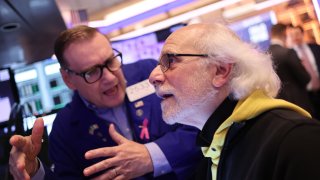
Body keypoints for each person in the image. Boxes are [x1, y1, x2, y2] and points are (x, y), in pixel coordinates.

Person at [9, 25, 202, 180]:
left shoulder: (151, 74)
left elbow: (203, 129)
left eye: (110, 61)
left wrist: (150, 156)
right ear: (68, 79)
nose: (110, 78)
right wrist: (35, 173)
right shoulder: (64, 129)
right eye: (91, 72)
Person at [149, 23, 320, 180]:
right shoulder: (216, 148)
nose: (153, 76)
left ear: (220, 70)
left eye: (170, 60)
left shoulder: (296, 140)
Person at [268, 23, 314, 115]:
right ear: (285, 33)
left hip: (281, 105)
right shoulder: (288, 52)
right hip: (299, 101)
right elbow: (305, 79)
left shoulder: (265, 55)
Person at [287, 25, 320, 119]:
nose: (295, 37)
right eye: (291, 35)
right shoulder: (290, 55)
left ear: (302, 34)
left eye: (297, 34)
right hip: (306, 97)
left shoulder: (315, 48)